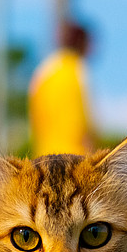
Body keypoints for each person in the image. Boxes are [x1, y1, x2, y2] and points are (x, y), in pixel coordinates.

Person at [28, 21, 95, 157]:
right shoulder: (76, 69)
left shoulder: (43, 72)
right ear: (82, 42)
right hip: (76, 160)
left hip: (43, 157)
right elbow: (81, 123)